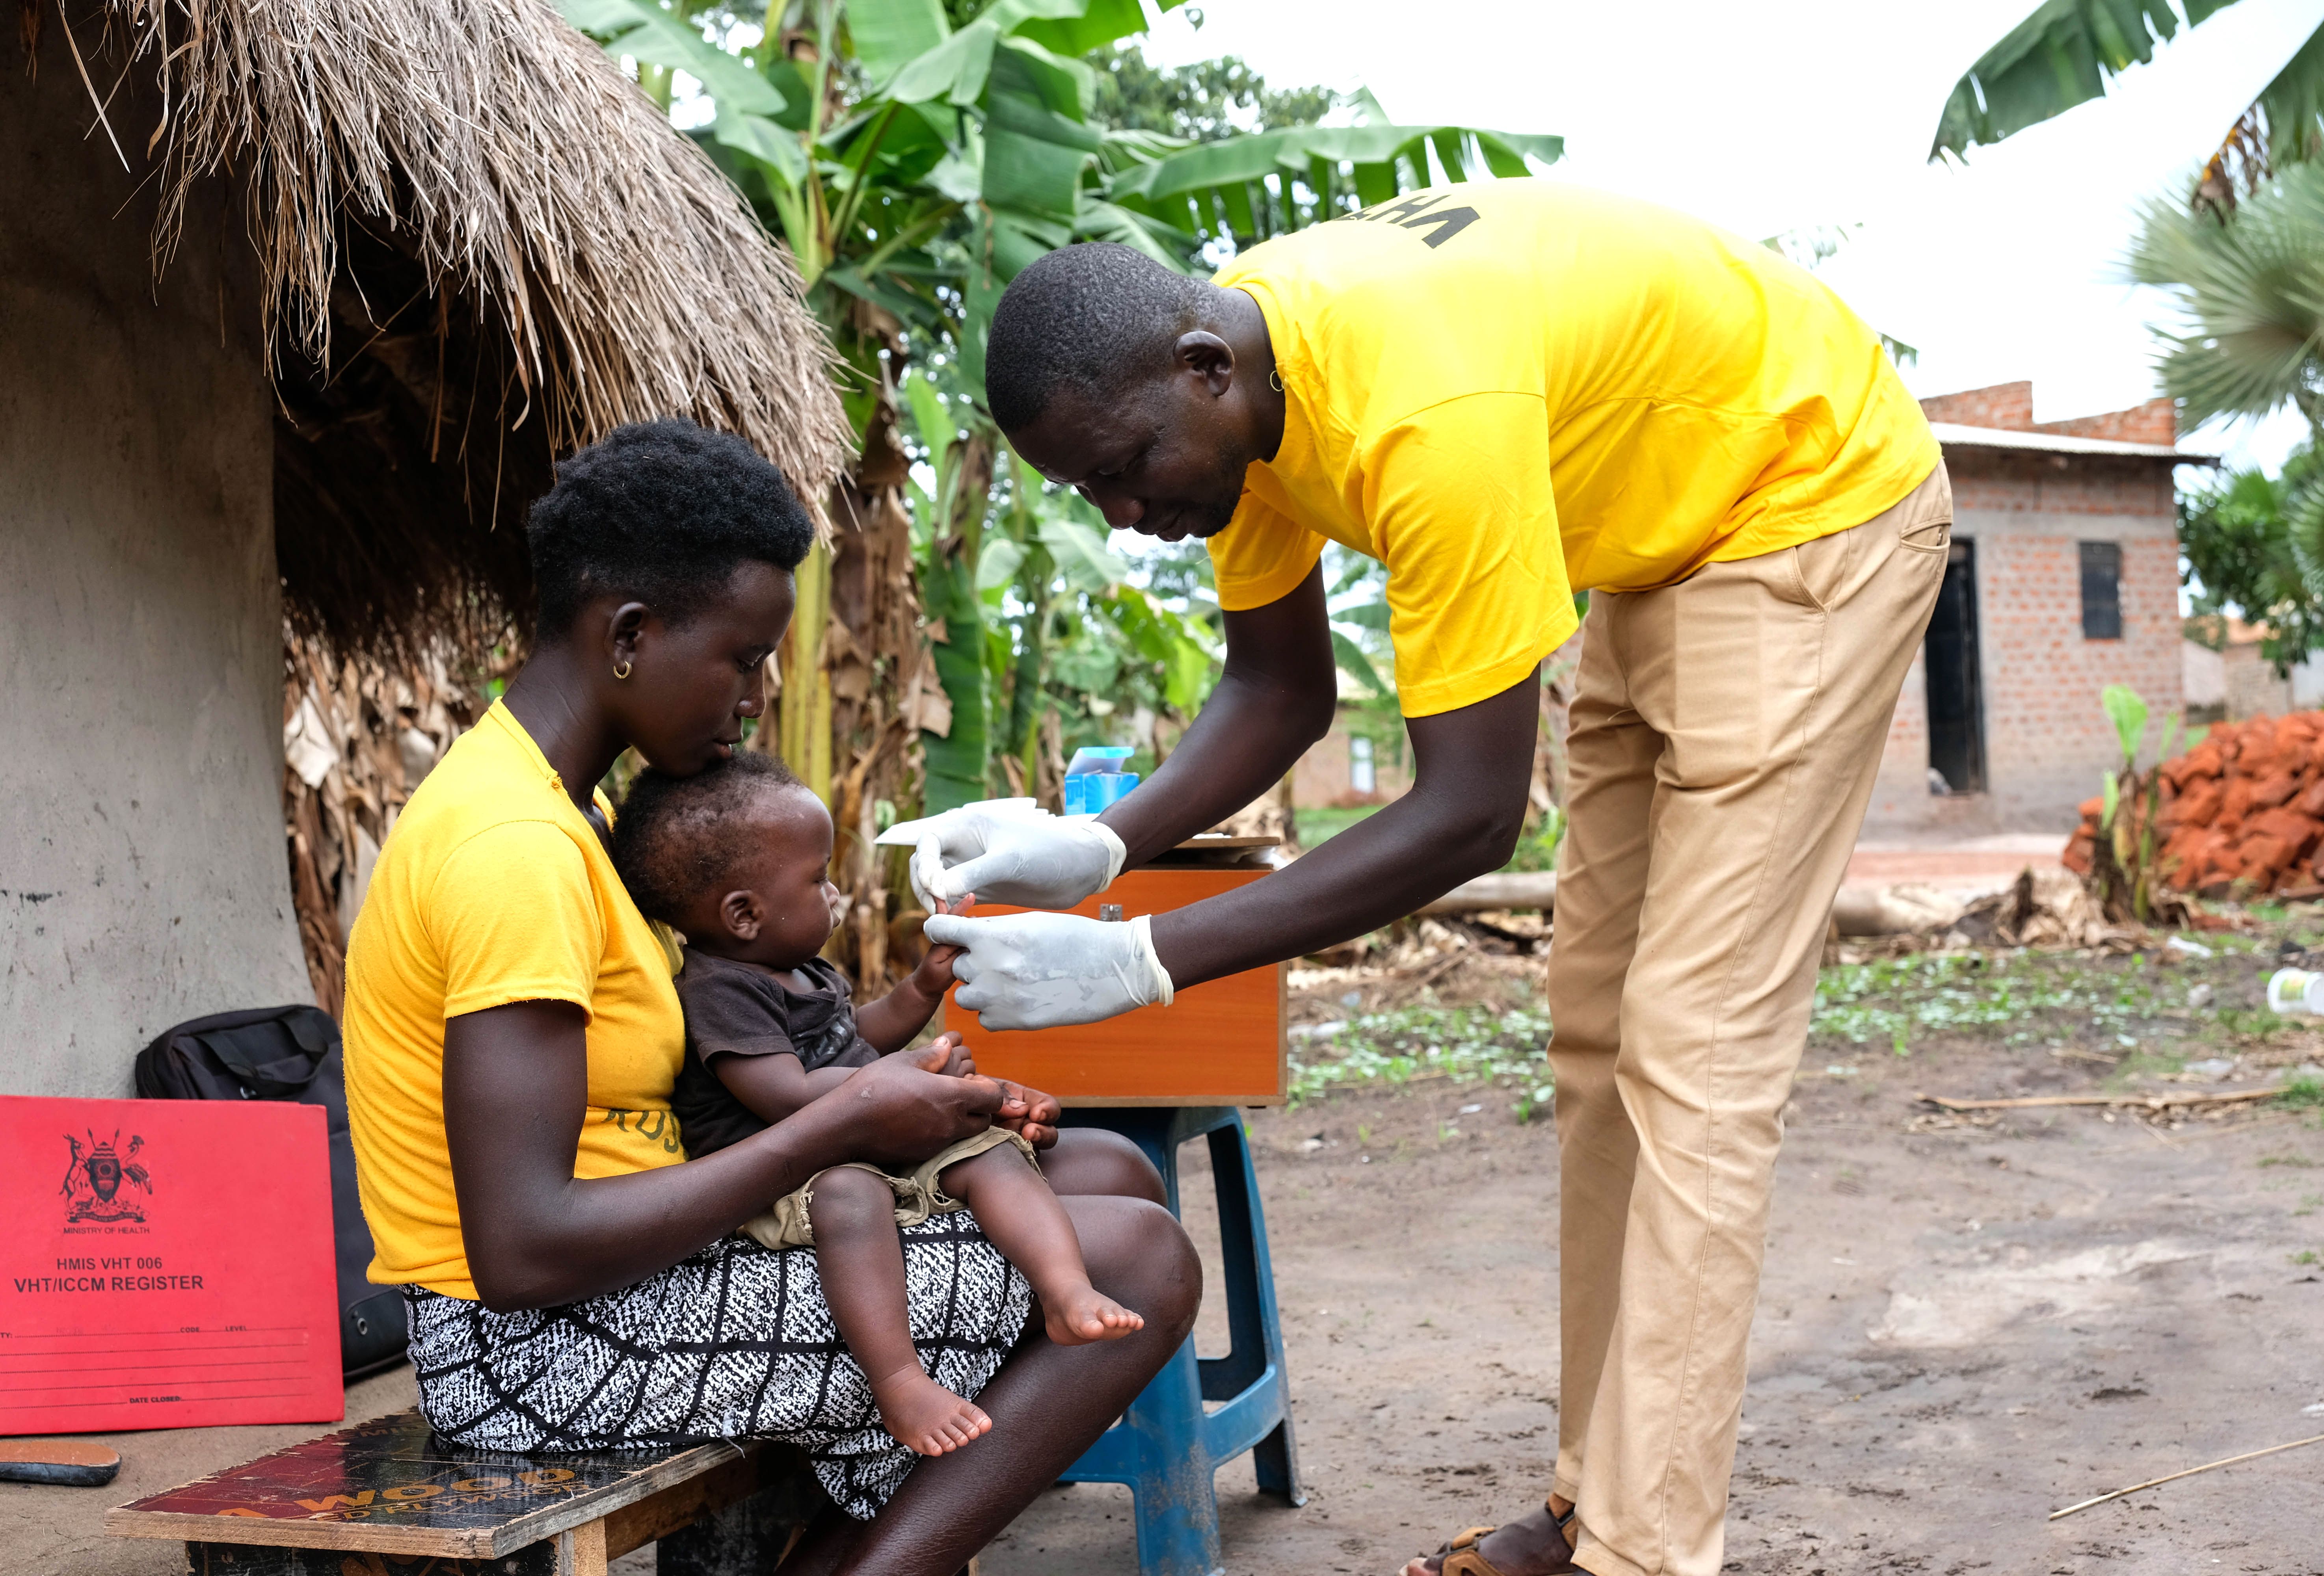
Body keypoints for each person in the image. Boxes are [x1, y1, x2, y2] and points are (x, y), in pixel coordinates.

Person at [911, 183, 1951, 1576]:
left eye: (1127, 464)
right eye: (1090, 488)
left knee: (1697, 1054)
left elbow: (1468, 818)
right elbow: (1279, 692)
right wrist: (1105, 842)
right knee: (1597, 1038)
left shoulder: (1417, 407)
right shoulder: (1243, 386)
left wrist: (1148, 962)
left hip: (1811, 503)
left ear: (1201, 372)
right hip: (1661, 550)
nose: (1125, 508)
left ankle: (1649, 1554)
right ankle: (1597, 1504)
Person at [341, 418, 1200, 1573]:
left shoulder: (569, 818)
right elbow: (524, 1252)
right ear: (631, 638)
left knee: (1106, 1172)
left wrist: (896, 1098)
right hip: (535, 1349)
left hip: (626, 1289)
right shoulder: (516, 851)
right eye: (742, 659)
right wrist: (840, 1125)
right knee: (1142, 1254)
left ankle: (843, 1535)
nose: (752, 700)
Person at [608, 751, 1145, 1460]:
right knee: (853, 1198)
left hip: (861, 1137)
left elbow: (852, 1037)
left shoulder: (797, 968)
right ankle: (899, 1383)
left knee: (994, 1156)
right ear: (744, 914)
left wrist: (922, 992)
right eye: (818, 879)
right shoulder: (720, 993)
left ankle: (1065, 1294)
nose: (835, 895)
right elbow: (788, 1096)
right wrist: (906, 1082)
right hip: (788, 1178)